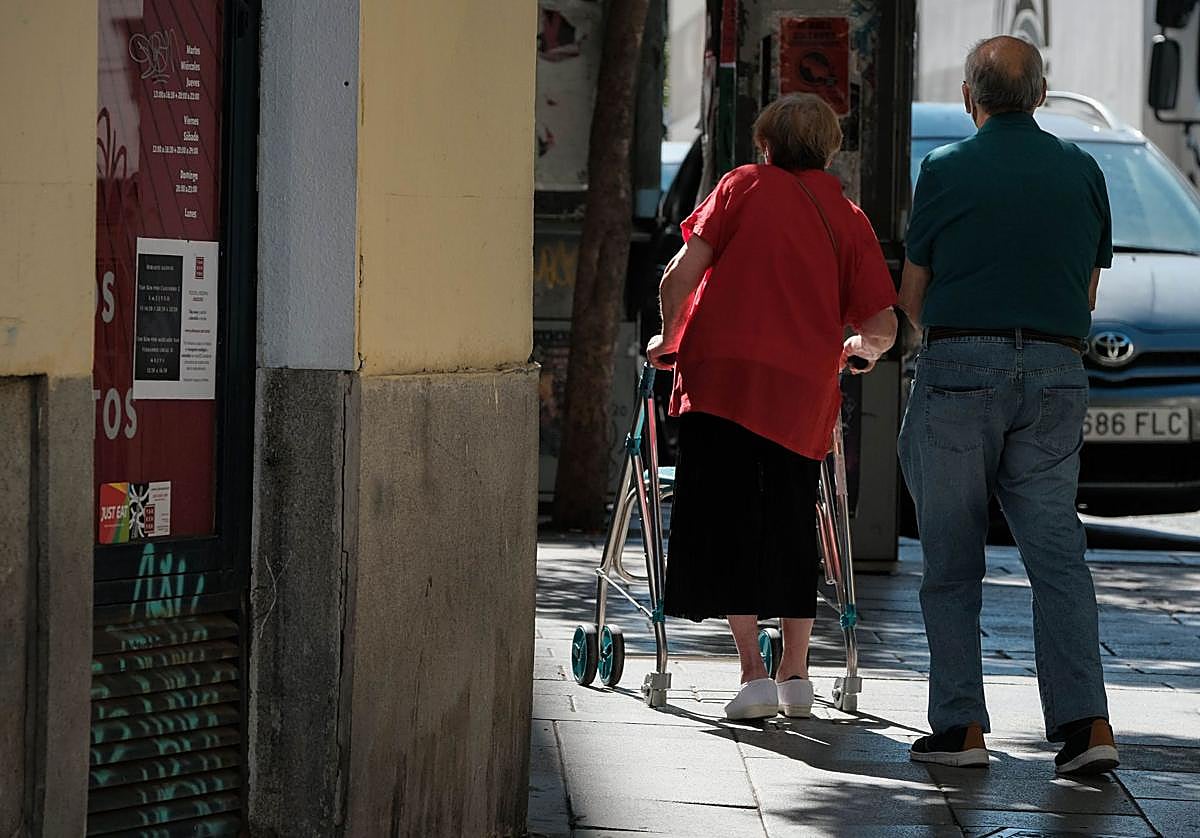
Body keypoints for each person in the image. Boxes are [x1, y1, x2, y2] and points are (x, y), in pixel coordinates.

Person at [898, 35, 1118, 774]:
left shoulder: (946, 167)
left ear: (971, 97)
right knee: (1058, 556)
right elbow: (1086, 292)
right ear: (1042, 96)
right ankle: (1087, 728)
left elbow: (912, 296)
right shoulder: (1083, 170)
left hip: (961, 363)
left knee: (951, 560)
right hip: (1058, 369)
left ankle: (960, 727)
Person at [646, 93, 898, 721]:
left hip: (722, 382)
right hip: (800, 392)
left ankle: (751, 674)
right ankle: (796, 674)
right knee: (790, 519)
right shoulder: (847, 216)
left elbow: (678, 277)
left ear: (766, 143)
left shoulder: (739, 187)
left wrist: (667, 341)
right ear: (828, 148)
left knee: (729, 516)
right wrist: (857, 351)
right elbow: (883, 323)